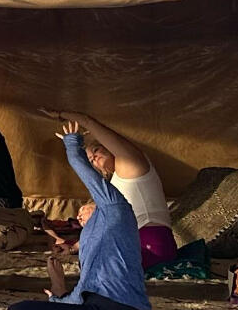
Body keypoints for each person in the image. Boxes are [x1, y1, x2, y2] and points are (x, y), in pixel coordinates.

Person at [5, 122, 150, 310]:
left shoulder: (116, 208)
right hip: (96, 308)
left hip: (124, 308)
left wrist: (73, 144)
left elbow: (89, 177)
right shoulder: (92, 238)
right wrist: (58, 294)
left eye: (82, 210)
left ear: (96, 204)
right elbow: (86, 287)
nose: (79, 216)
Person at [59, 112, 178, 267]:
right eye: (90, 160)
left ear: (109, 148)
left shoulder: (134, 165)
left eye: (96, 150)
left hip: (151, 243)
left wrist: (72, 117)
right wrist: (73, 247)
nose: (94, 158)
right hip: (134, 243)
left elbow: (94, 126)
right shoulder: (113, 184)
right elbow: (107, 227)